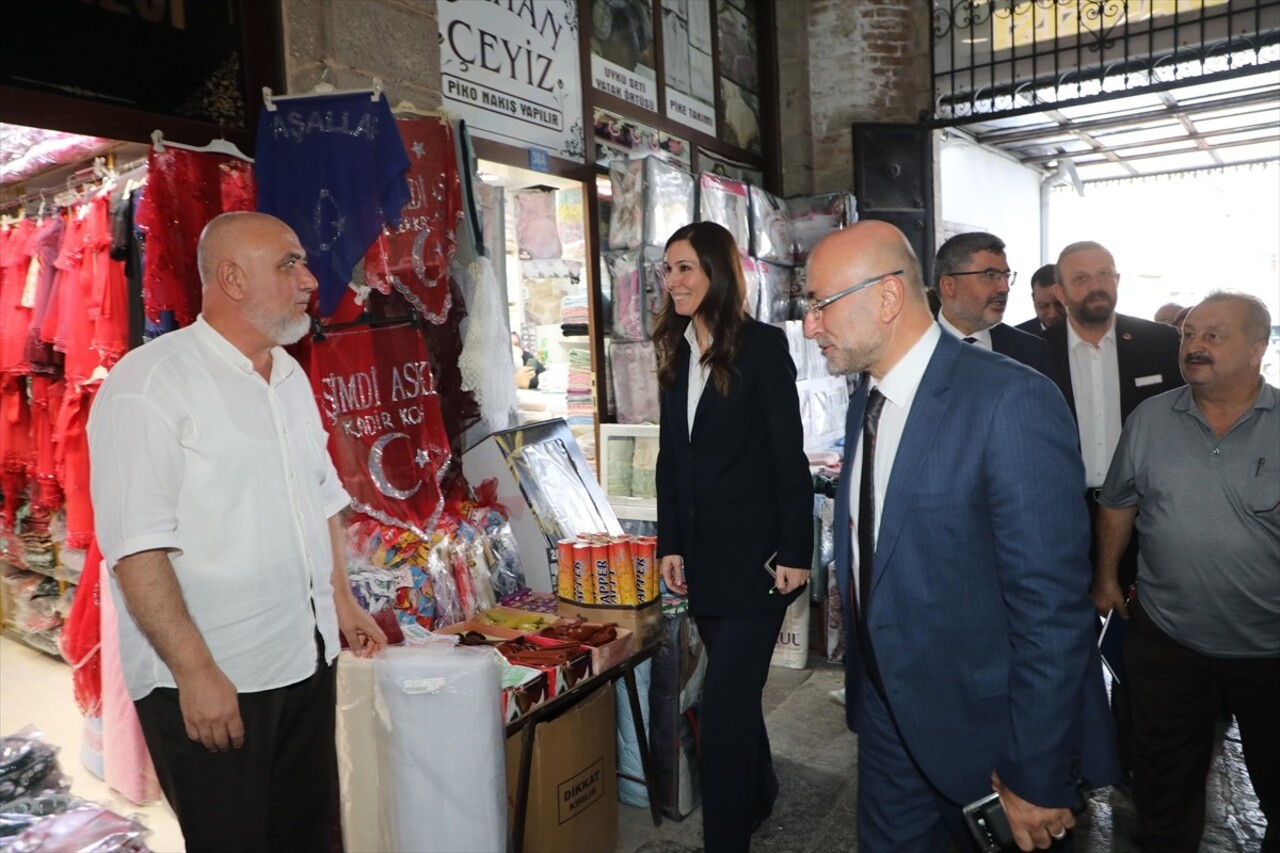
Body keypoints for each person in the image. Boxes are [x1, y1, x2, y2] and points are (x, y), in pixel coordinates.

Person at [803, 220, 1116, 851]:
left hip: (987, 738)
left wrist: (1035, 771)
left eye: (820, 305)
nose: (810, 326)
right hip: (888, 720)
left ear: (888, 298)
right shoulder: (870, 394)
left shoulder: (1010, 401)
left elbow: (1051, 612)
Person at [87, 211, 387, 852]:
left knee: (305, 835)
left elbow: (320, 496)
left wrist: (339, 599)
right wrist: (195, 671)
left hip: (302, 658)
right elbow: (135, 549)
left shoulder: (287, 374)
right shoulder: (148, 385)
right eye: (289, 264)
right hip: (213, 676)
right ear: (231, 278)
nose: (310, 279)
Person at [1094, 292, 1278, 852]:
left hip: (1269, 649)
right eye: (1189, 334)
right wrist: (1104, 577)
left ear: (1257, 349)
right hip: (1168, 639)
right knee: (1162, 785)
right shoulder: (1151, 417)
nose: (1194, 346)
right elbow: (1118, 502)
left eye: (1213, 336)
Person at [654, 221, 813, 853]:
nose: (673, 281)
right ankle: (760, 790)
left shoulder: (762, 346)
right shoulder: (675, 349)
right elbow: (672, 458)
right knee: (735, 690)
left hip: (759, 561)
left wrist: (797, 553)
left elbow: (788, 456)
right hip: (702, 561)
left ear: (718, 271)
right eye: (667, 270)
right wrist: (670, 542)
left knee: (720, 709)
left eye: (686, 268)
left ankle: (725, 841)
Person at [1044, 240, 1184, 787]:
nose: (1095, 285)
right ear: (1060, 291)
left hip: (1143, 518)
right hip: (1059, 514)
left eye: (1104, 274)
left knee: (1144, 648)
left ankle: (1137, 762)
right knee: (1061, 642)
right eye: (1081, 278)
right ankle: (1070, 762)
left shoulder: (1157, 343)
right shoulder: (1033, 348)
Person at [933, 231, 1053, 376]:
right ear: (949, 286)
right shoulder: (908, 347)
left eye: (1006, 276)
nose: (1005, 288)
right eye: (990, 275)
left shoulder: (1032, 351)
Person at [1015, 263, 1066, 333]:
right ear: (1033, 298)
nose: (1053, 314)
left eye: (1059, 304)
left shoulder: (1085, 333)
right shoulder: (1015, 337)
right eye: (1043, 306)